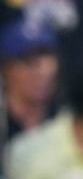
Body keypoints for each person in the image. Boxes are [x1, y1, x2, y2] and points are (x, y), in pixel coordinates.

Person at [0, 19, 60, 151]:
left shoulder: (66, 118)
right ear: (5, 70)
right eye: (29, 62)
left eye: (47, 60)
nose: (42, 72)